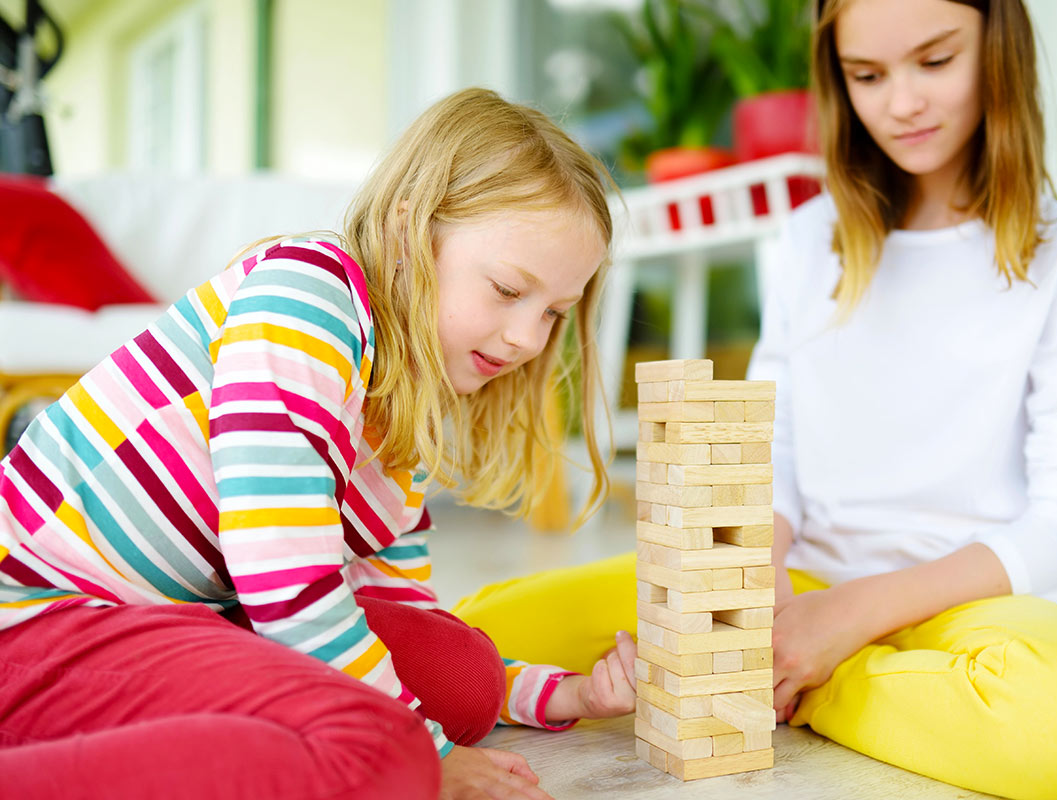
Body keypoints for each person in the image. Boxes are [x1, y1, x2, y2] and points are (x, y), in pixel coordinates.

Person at [451, 1, 1057, 798]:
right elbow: (776, 439)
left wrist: (844, 623)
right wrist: (757, 566)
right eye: (867, 75)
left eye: (934, 61)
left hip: (975, 609)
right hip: (800, 584)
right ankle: (796, 663)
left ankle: (819, 684)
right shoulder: (808, 237)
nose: (901, 103)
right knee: (463, 639)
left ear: (1001, 51)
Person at [0, 88, 638, 800]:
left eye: (553, 312)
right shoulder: (308, 296)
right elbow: (286, 582)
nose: (527, 338)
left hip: (179, 615)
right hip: (33, 620)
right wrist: (429, 753)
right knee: (385, 756)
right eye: (506, 290)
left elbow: (405, 611)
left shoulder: (399, 401)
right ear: (409, 234)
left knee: (461, 676)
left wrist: (569, 697)